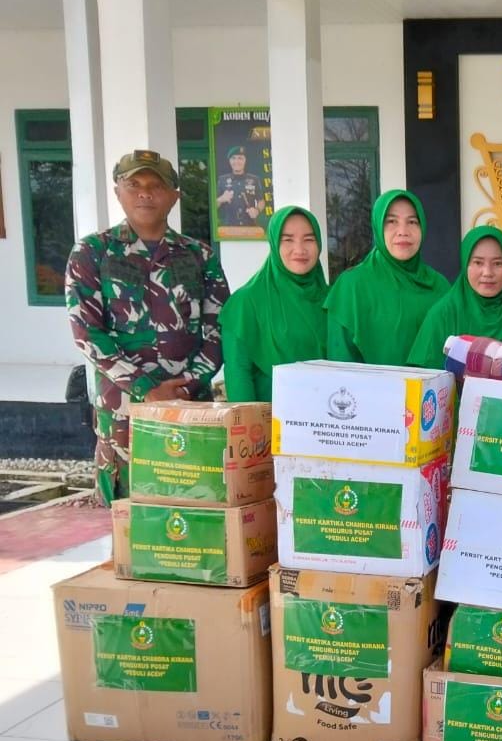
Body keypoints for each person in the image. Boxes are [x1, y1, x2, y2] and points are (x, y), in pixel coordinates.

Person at [66, 149, 229, 504]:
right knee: (126, 519)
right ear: (118, 192)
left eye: (156, 185)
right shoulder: (93, 253)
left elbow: (220, 329)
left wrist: (187, 388)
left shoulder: (199, 256)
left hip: (190, 411)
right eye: (134, 184)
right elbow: (86, 332)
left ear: (174, 196)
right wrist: (146, 389)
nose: (145, 192)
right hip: (124, 416)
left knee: (195, 506)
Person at [325, 189, 450, 365]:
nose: (403, 231)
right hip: (367, 392)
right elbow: (340, 362)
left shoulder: (440, 286)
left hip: (429, 392)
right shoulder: (352, 286)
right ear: (378, 226)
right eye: (391, 221)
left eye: (412, 222)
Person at [219, 206, 327, 402]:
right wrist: (250, 428)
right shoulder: (246, 303)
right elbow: (238, 373)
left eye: (309, 239)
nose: (300, 249)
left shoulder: (329, 299)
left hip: (326, 423)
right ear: (274, 244)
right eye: (288, 240)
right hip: (268, 424)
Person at [407, 226, 502, 370]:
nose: (488, 272)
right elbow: (424, 380)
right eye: (478, 262)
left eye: (497, 263)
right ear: (465, 265)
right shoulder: (443, 315)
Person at [215, 146, 264, 228]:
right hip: (228, 227)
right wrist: (221, 199)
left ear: (245, 160)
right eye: (233, 158)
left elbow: (261, 201)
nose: (236, 161)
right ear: (229, 161)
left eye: (240, 158)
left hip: (250, 226)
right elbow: (213, 206)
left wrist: (257, 210)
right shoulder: (222, 180)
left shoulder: (254, 179)